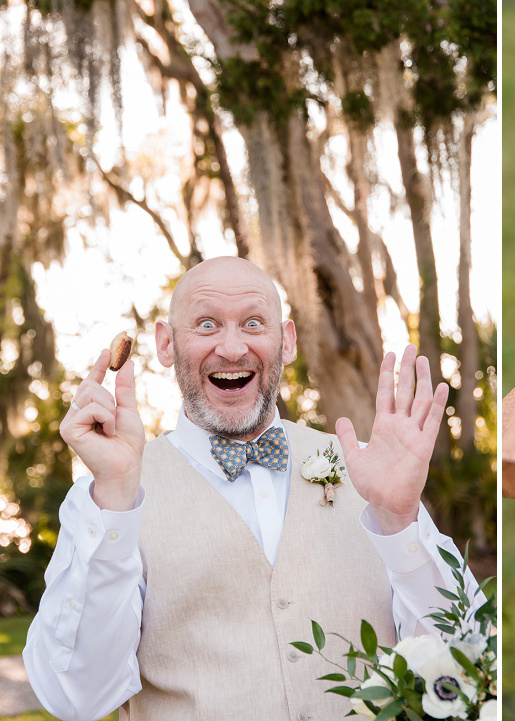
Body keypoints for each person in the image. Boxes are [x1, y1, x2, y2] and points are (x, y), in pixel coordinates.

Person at [23, 256, 483, 720]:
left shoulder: (372, 473)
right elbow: (76, 699)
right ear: (166, 344)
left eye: (253, 323)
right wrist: (117, 503)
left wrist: (401, 523)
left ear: (286, 342)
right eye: (206, 324)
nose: (232, 347)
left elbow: (469, 661)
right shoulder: (107, 499)